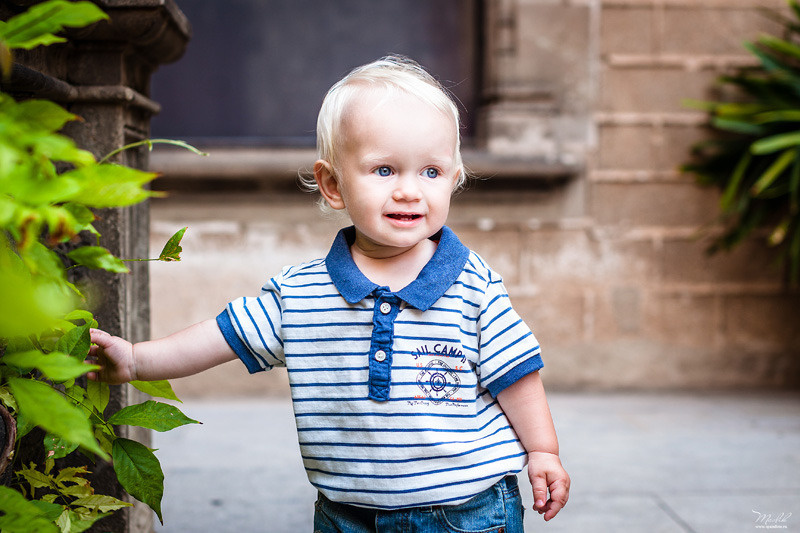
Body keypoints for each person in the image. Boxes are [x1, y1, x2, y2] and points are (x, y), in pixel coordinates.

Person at [88, 55, 570, 532]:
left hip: (465, 510)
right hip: (347, 514)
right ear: (333, 185)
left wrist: (543, 449)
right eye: (384, 170)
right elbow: (220, 337)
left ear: (454, 181)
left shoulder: (472, 283)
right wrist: (135, 361)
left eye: (431, 172)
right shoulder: (301, 293)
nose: (409, 191)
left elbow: (516, 375)